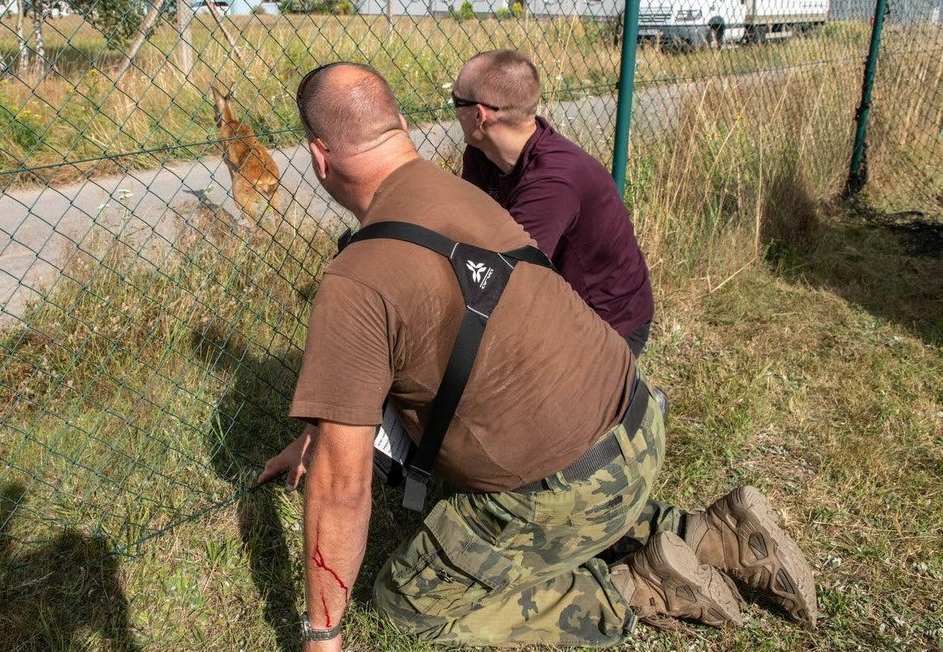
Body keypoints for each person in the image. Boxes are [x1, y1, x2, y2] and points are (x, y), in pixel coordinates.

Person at [259, 62, 817, 650]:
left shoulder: (356, 280)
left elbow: (342, 490)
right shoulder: (469, 194)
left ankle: (630, 588)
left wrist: (322, 636)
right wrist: (322, 432)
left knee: (406, 600)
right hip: (638, 425)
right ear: (401, 125)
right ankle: (709, 534)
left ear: (320, 157)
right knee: (568, 495)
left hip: (566, 485)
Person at [454, 49, 655, 357]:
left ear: (479, 115)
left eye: (456, 102)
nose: (453, 112)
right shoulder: (482, 154)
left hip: (608, 324)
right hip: (553, 300)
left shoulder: (554, 182)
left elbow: (503, 277)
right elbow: (467, 233)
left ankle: (639, 404)